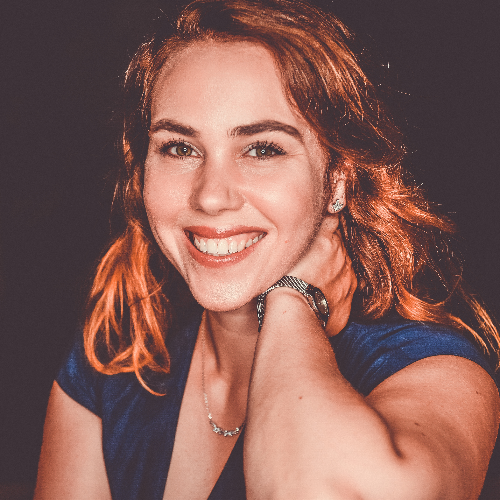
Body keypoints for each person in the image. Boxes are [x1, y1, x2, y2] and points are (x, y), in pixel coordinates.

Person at [34, 0, 500, 498]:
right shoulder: (121, 352)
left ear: (337, 179)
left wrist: (295, 298)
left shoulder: (436, 366)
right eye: (180, 147)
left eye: (262, 149)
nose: (211, 197)